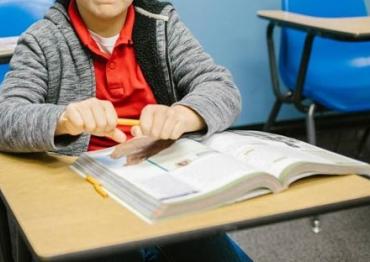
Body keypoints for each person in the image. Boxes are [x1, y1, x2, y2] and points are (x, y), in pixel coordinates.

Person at [0, 0, 251, 261]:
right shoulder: (43, 38)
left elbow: (221, 88)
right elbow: (5, 116)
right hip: (84, 201)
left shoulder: (162, 25)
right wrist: (64, 119)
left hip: (165, 194)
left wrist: (181, 115)